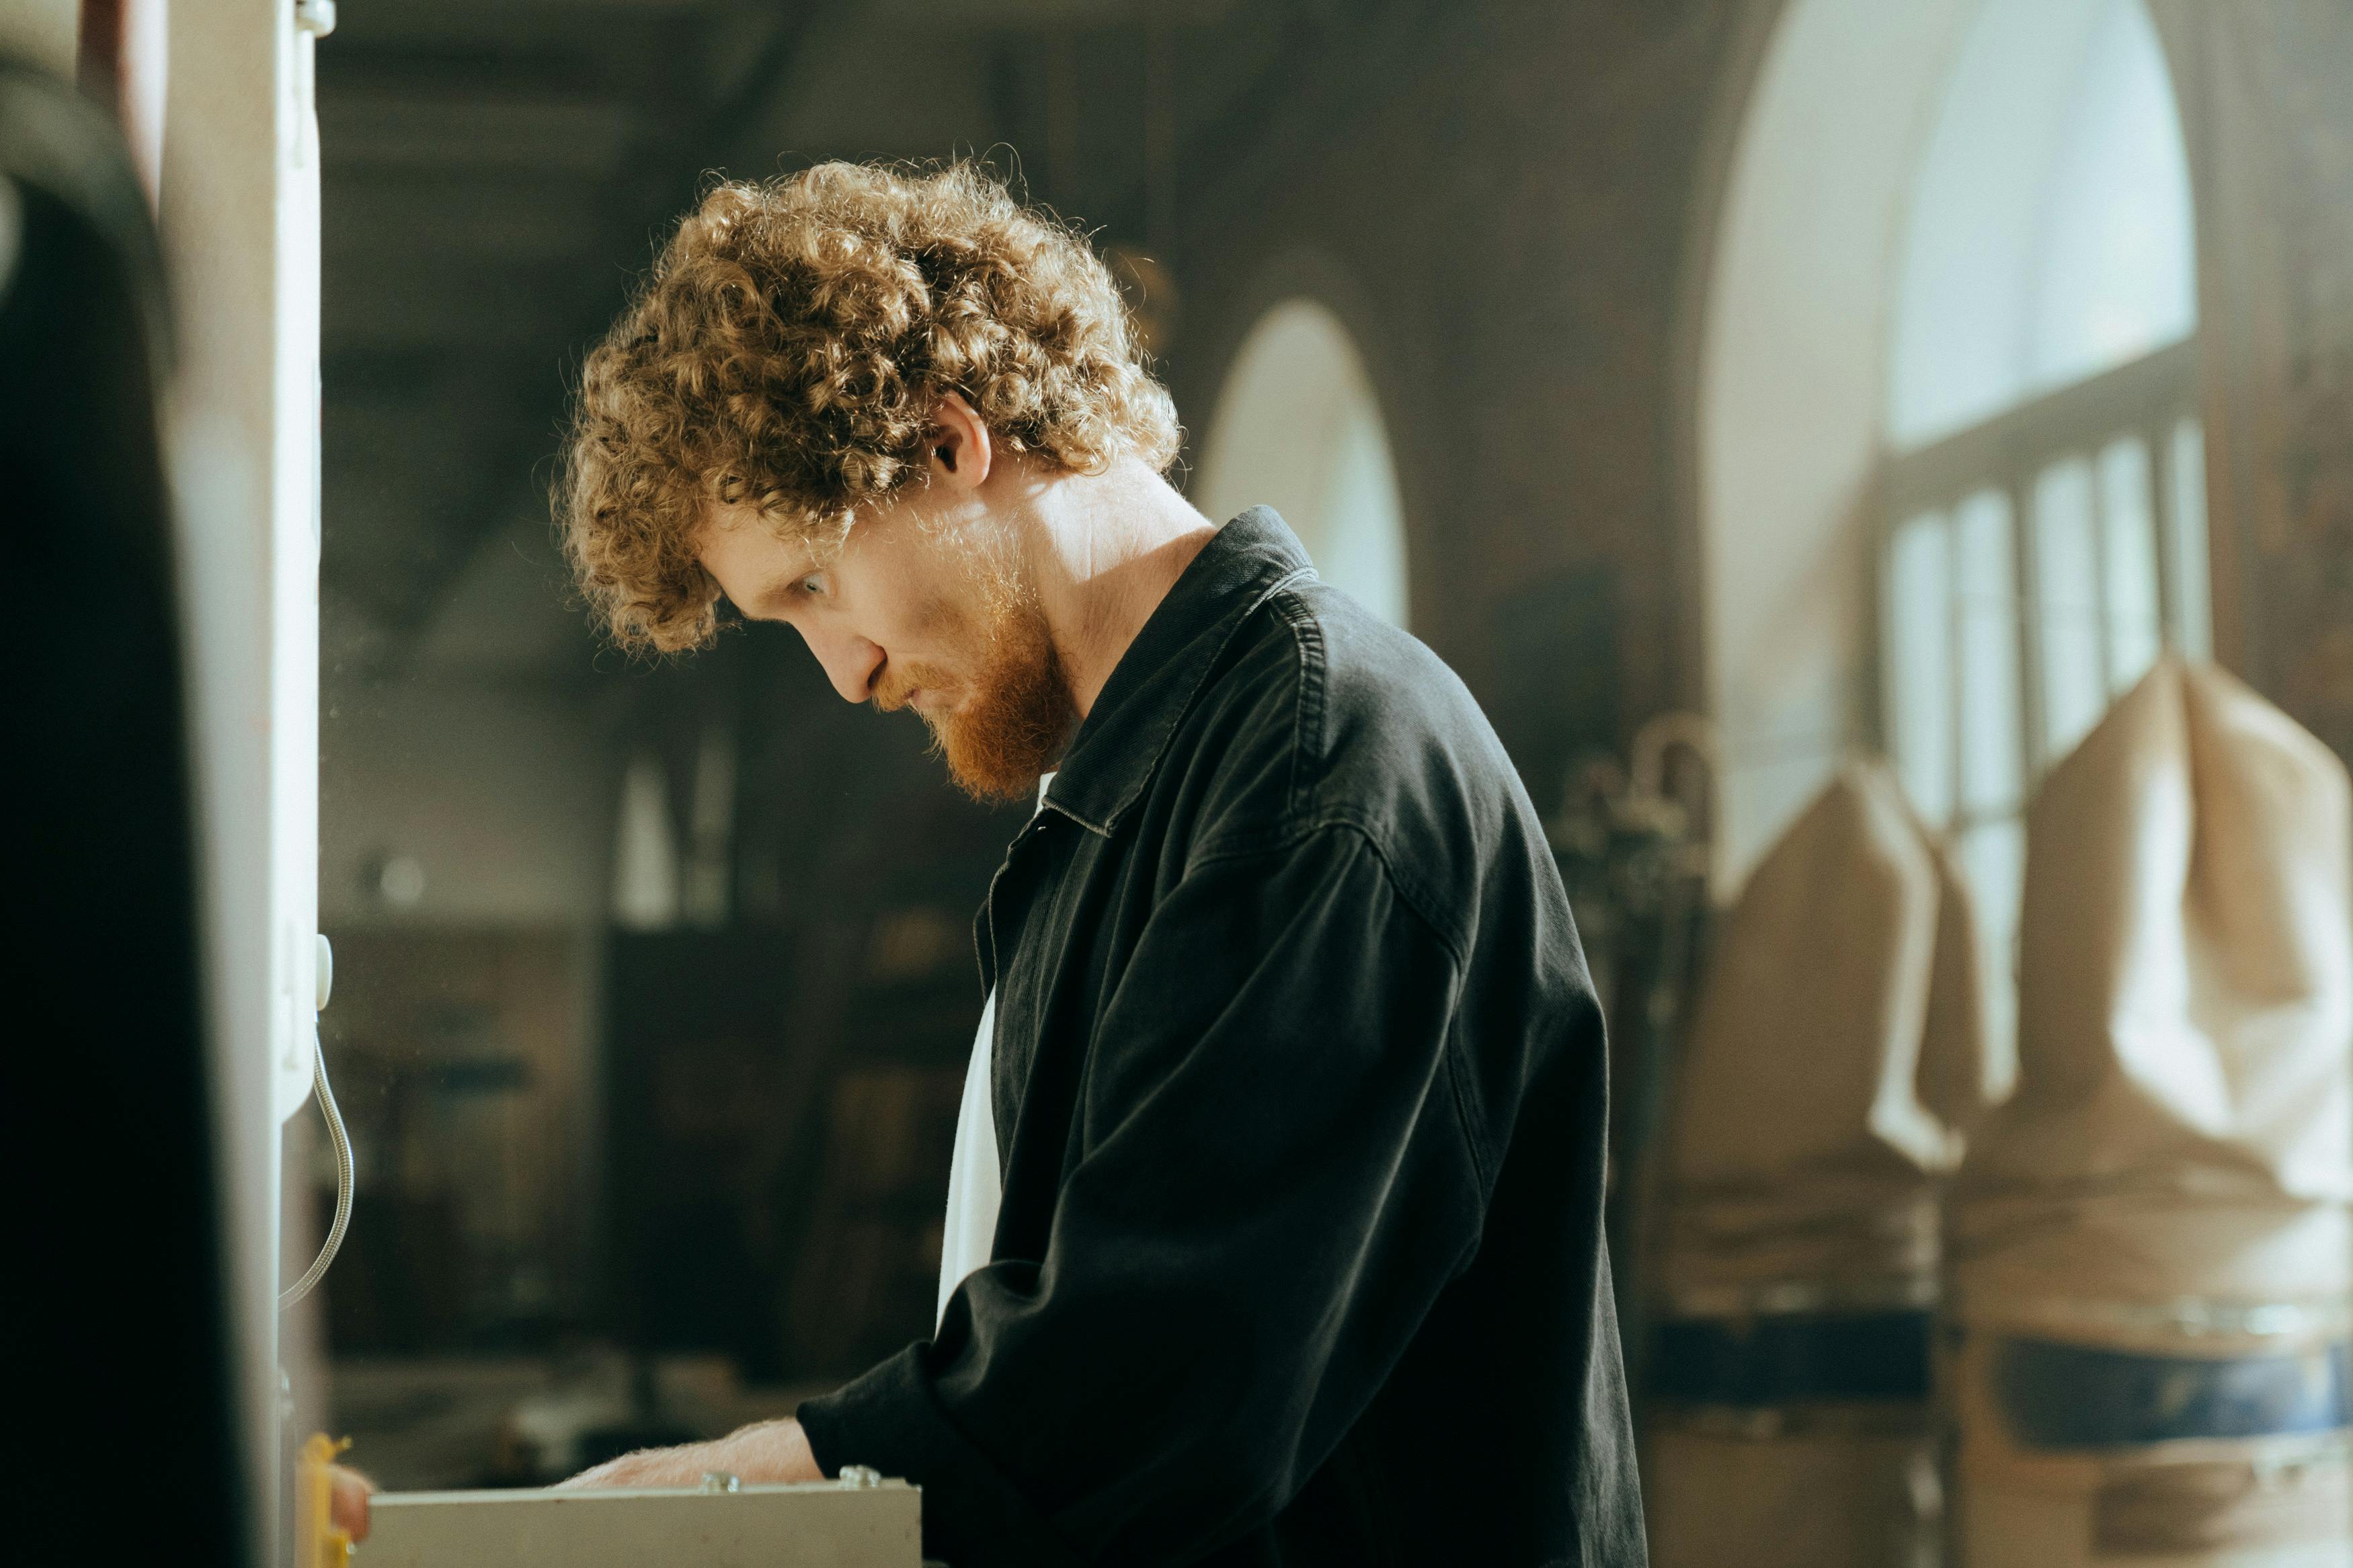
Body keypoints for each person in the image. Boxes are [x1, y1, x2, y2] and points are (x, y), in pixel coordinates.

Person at [547, 159, 1643, 1566]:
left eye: (815, 584)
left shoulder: (1315, 763)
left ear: (951, 445)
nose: (845, 673)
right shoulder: (1125, 793)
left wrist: (784, 1477)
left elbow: (1168, 1365)